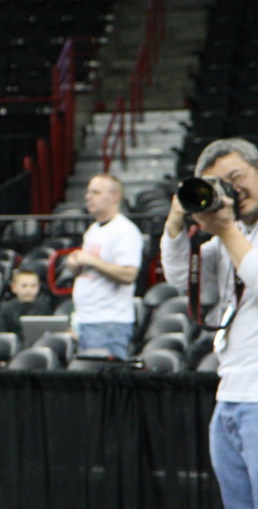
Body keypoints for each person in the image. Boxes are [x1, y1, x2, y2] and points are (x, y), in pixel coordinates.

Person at [161, 139, 258, 509]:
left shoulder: (232, 235)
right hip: (230, 395)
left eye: (237, 177)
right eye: (219, 185)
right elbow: (182, 279)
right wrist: (175, 223)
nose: (234, 191)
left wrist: (226, 230)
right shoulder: (230, 237)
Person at [67, 173, 143, 358]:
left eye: (95, 192)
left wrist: (91, 260)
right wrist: (75, 264)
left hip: (109, 323)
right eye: (88, 192)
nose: (88, 197)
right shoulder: (93, 230)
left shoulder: (125, 231)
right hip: (86, 320)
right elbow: (91, 268)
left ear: (114, 196)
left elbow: (128, 275)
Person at [0, 268, 54, 338]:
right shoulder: (6, 307)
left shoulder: (43, 306)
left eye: (33, 286)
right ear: (13, 288)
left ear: (38, 287)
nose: (29, 289)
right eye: (24, 286)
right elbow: (0, 333)